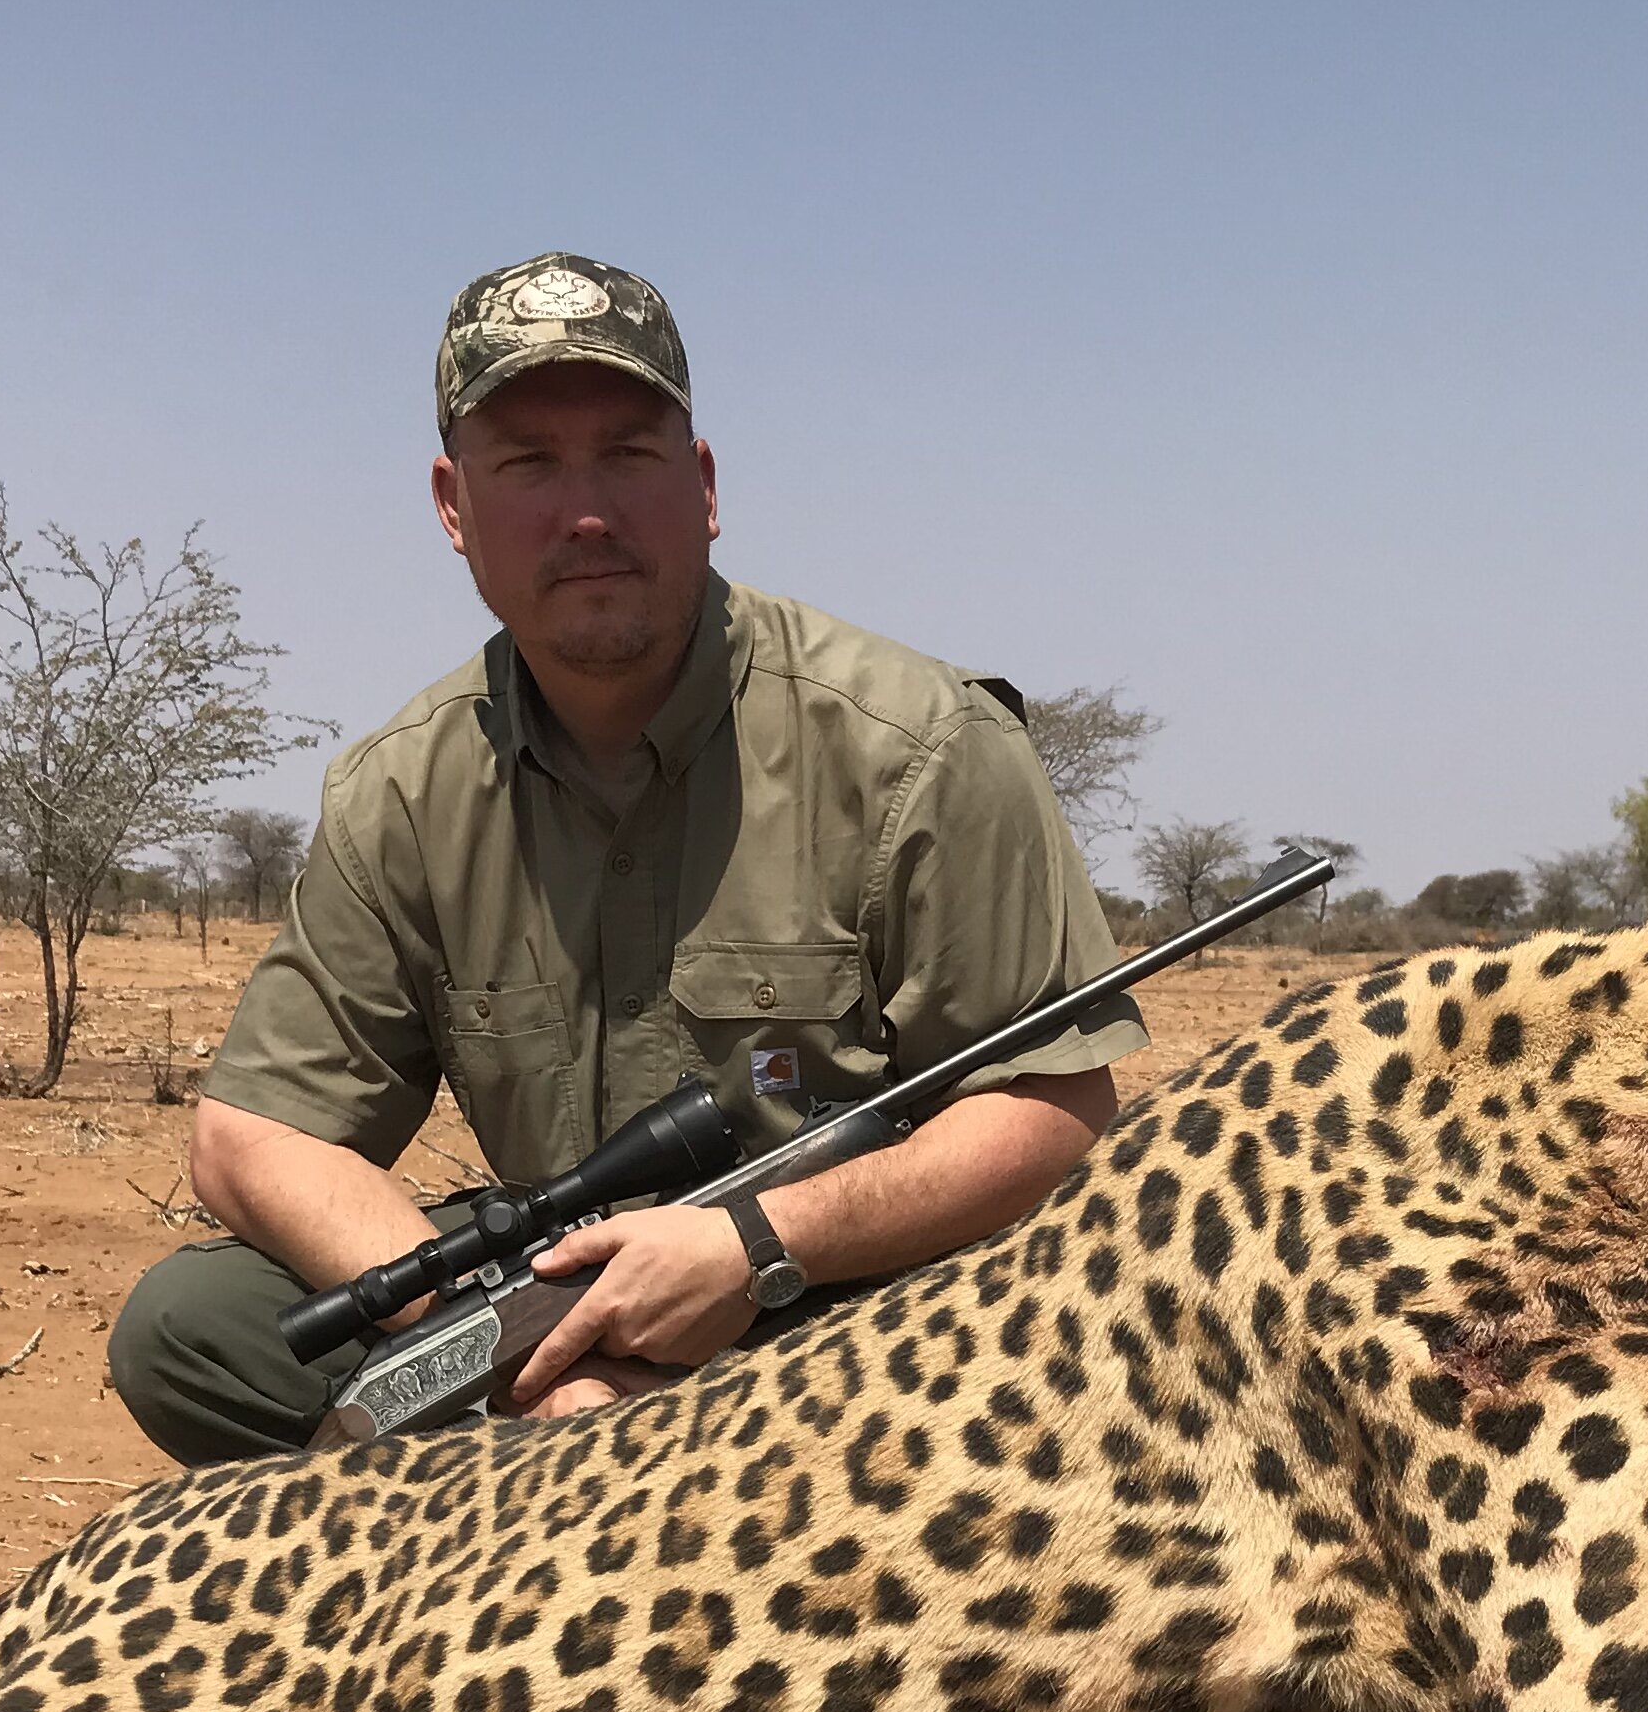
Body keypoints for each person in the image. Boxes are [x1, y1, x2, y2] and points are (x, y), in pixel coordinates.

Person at [108, 252, 1138, 1465]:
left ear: (702, 486)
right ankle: (572, 1490)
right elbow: (249, 1134)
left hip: (855, 1314)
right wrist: (500, 1333)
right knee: (189, 1330)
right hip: (560, 1301)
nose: (584, 512)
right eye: (528, 465)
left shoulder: (926, 745)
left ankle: (554, 1513)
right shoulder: (400, 786)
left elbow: (1055, 1108)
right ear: (454, 507)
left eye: (628, 456)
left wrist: (758, 1247)